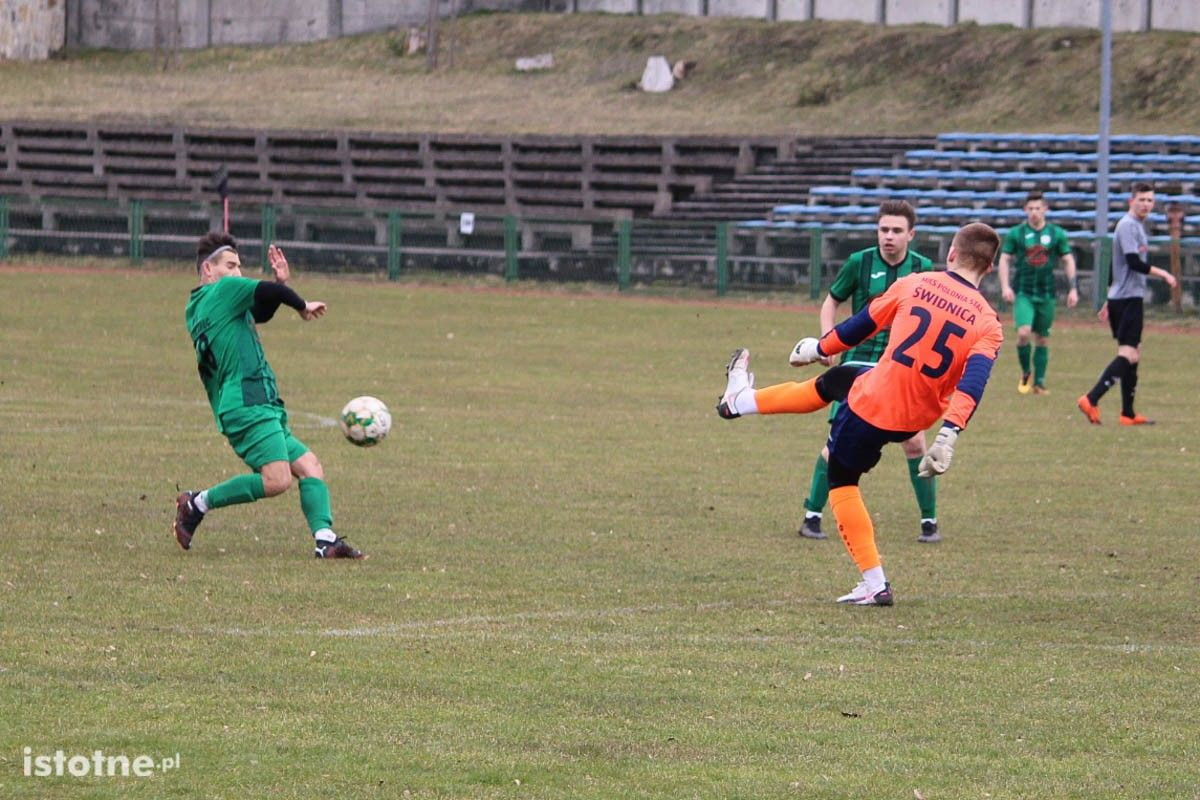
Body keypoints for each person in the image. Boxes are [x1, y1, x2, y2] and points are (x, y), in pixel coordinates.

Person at [716, 223, 1003, 606]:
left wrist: (821, 346)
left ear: (951, 254)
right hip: (914, 412)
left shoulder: (916, 283)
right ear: (989, 267)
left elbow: (860, 325)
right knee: (835, 381)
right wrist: (949, 433)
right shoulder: (989, 322)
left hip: (875, 405)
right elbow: (974, 383)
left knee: (841, 480)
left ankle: (874, 582)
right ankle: (738, 401)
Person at [173, 232, 365, 559]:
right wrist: (301, 304)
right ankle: (197, 503)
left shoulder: (199, 307)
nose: (237, 272)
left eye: (239, 266)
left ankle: (325, 539)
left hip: (254, 403)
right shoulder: (224, 289)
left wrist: (280, 284)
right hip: (249, 404)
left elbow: (259, 312)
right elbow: (267, 291)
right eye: (230, 265)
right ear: (208, 269)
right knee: (276, 480)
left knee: (309, 466)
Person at [797, 200, 942, 544]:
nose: (888, 237)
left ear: (911, 234)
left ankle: (929, 522)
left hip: (901, 369)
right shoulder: (859, 262)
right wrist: (826, 340)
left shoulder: (923, 269)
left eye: (896, 231)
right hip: (857, 366)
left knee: (915, 441)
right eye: (883, 230)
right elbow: (832, 300)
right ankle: (811, 517)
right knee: (835, 446)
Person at [1077, 183, 1178, 426]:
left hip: (1124, 298)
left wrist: (1108, 300)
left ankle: (1128, 414)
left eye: (1150, 200)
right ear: (1130, 200)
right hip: (1127, 299)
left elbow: (1117, 265)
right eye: (1141, 199)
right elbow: (1132, 262)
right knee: (1128, 353)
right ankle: (1091, 398)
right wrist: (1163, 273)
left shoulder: (1136, 227)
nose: (1146, 204)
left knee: (1135, 354)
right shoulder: (1127, 226)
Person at [997, 190, 1078, 394]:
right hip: (1023, 292)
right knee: (1024, 333)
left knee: (1042, 338)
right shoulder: (1017, 234)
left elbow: (1067, 259)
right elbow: (1004, 259)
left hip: (1047, 293)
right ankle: (1026, 373)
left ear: (1045, 209)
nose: (1034, 212)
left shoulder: (1056, 234)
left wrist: (1073, 288)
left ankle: (1040, 383)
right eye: (1030, 208)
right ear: (1025, 210)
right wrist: (1005, 286)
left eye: (1038, 208)